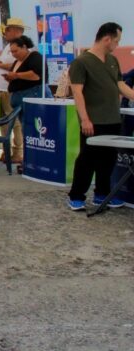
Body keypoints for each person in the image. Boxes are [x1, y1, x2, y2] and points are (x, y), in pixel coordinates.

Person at [67, 22, 134, 210]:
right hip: (93, 120)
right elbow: (77, 92)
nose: (117, 45)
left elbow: (120, 84)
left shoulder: (112, 61)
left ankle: (102, 194)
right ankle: (76, 195)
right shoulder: (81, 62)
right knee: (87, 159)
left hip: (112, 118)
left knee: (108, 159)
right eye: (117, 41)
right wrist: (85, 119)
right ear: (107, 39)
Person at [4, 35, 43, 170]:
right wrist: (11, 78)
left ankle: (31, 160)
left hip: (31, 96)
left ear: (24, 47)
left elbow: (35, 75)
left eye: (16, 51)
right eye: (12, 52)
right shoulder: (17, 62)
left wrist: (16, 75)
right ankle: (28, 160)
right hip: (18, 97)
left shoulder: (35, 57)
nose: (14, 54)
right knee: (25, 128)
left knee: (31, 129)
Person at [0, 18, 27, 165]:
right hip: (1, 89)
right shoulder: (8, 46)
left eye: (8, 30)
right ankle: (7, 151)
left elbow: (16, 65)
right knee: (3, 121)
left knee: (14, 120)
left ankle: (17, 151)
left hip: (10, 89)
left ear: (16, 31)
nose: (5, 33)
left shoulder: (22, 47)